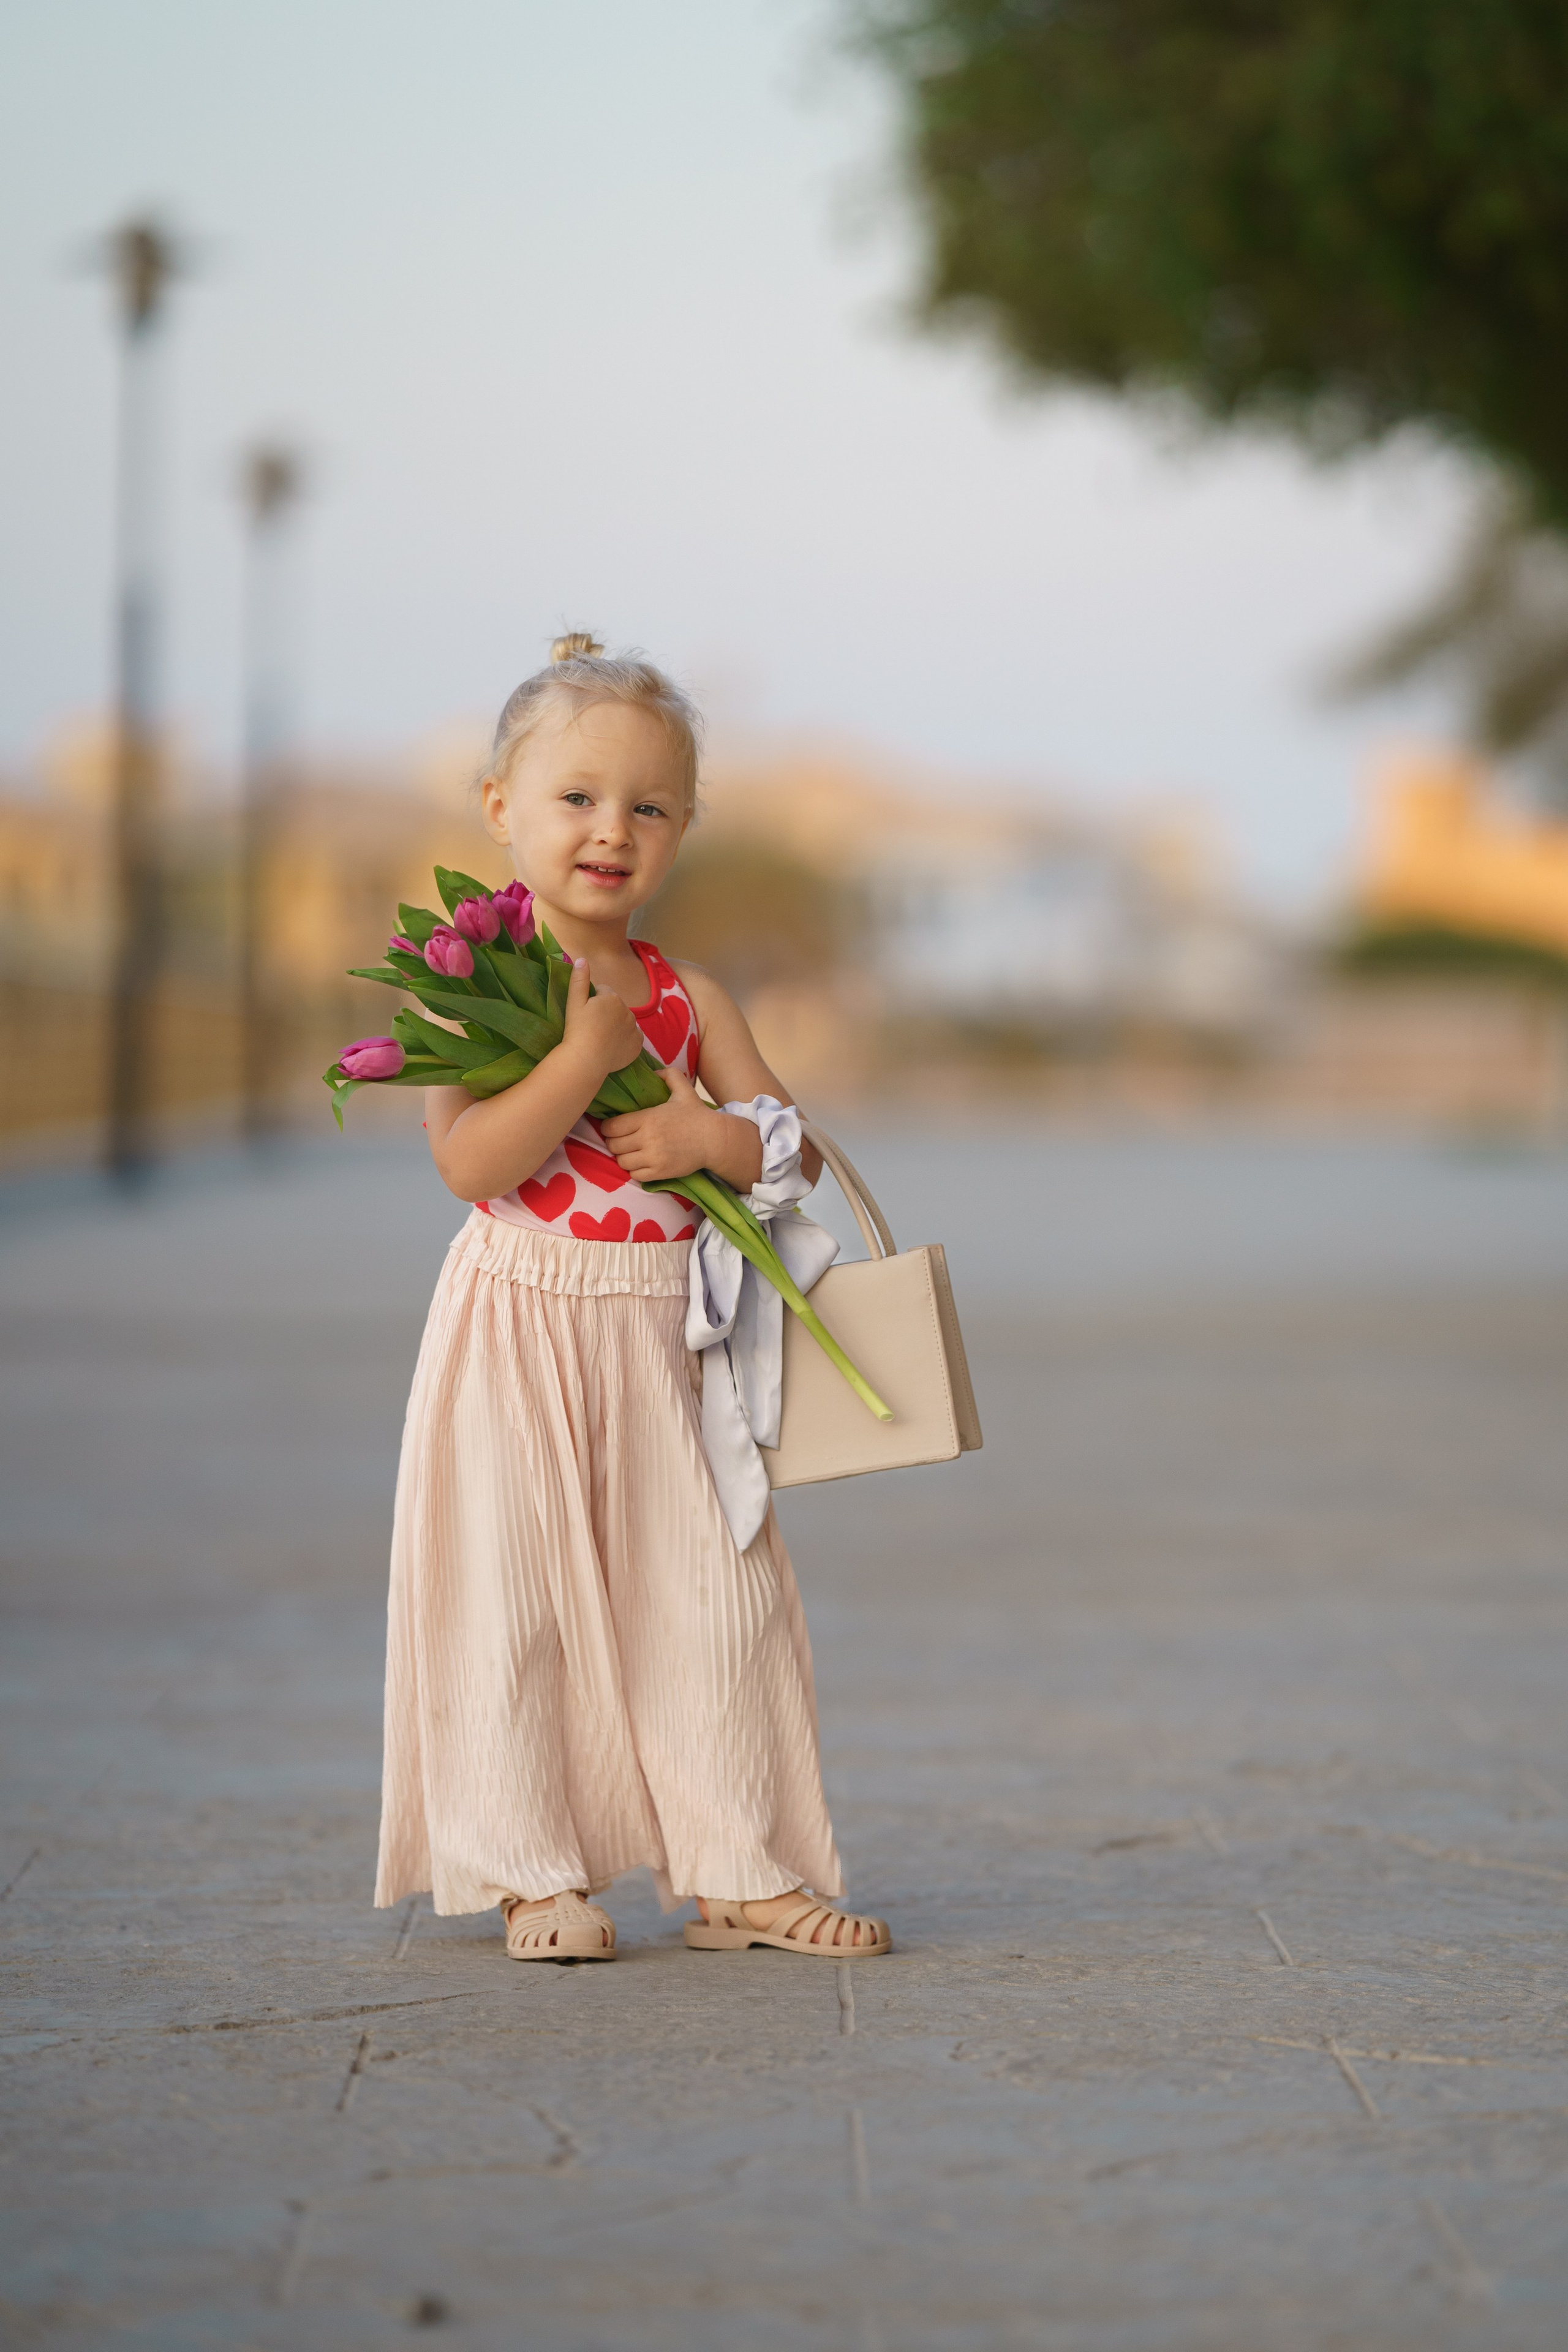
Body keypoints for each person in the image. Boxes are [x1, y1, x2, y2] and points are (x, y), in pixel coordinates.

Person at [373, 633, 891, 1964]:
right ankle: (529, 1873)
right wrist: (578, 1060)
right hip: (521, 1324)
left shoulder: (684, 993)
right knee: (516, 1598)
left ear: (683, 829)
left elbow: (788, 1143)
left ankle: (741, 1870)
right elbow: (469, 1165)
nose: (613, 830)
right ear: (500, 806)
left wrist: (713, 1140)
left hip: (670, 1333)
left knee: (714, 1599)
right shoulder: (471, 980)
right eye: (578, 797)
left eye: (650, 807)